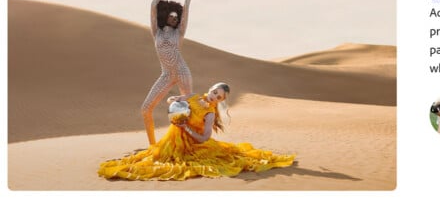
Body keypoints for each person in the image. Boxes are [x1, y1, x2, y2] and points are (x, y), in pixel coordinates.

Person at [99, 82, 296, 181]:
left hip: (192, 144)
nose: (213, 97)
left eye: (218, 98)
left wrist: (186, 127)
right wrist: (173, 101)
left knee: (174, 165)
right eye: (214, 92)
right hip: (173, 138)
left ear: (219, 101)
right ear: (210, 89)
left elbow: (204, 137)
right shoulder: (193, 96)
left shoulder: (210, 114)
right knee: (155, 156)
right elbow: (174, 99)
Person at [141, 0, 202, 145]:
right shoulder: (156, 32)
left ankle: (192, 144)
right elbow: (153, 6)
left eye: (177, 17)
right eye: (172, 16)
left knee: (191, 111)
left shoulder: (180, 33)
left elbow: (187, 6)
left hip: (182, 72)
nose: (175, 18)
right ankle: (153, 146)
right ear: (166, 15)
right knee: (146, 109)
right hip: (166, 74)